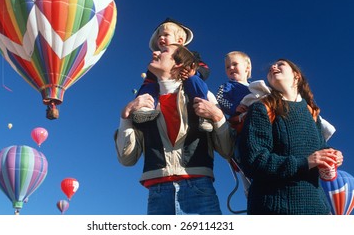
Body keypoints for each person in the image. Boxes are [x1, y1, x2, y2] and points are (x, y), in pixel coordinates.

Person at [114, 44, 233, 215]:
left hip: (199, 189)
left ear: (178, 64)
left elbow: (227, 150)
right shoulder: (144, 103)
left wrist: (218, 117)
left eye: (163, 51)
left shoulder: (202, 96)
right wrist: (125, 116)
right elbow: (127, 159)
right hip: (158, 193)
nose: (155, 52)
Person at [238, 58, 344, 215]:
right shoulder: (262, 108)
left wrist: (332, 155)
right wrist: (305, 162)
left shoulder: (311, 113)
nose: (273, 66)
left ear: (297, 75)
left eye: (281, 64)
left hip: (318, 210)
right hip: (274, 210)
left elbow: (320, 148)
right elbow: (253, 161)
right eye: (271, 67)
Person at [132, 18, 212, 131]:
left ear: (180, 41)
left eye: (165, 35)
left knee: (194, 81)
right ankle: (145, 109)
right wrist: (141, 96)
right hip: (162, 91)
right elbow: (148, 81)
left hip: (187, 88)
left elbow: (205, 68)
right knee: (149, 86)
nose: (161, 38)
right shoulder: (156, 62)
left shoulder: (191, 55)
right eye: (159, 36)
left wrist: (194, 72)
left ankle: (203, 114)